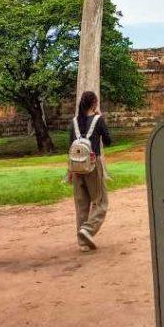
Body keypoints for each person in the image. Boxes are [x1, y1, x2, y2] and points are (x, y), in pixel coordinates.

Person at [69, 90, 111, 251]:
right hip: (93, 165)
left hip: (76, 166)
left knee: (81, 205)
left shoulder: (74, 122)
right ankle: (88, 229)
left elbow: (71, 147)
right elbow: (108, 141)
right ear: (94, 103)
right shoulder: (98, 120)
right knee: (101, 202)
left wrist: (70, 171)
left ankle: (82, 243)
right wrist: (100, 118)